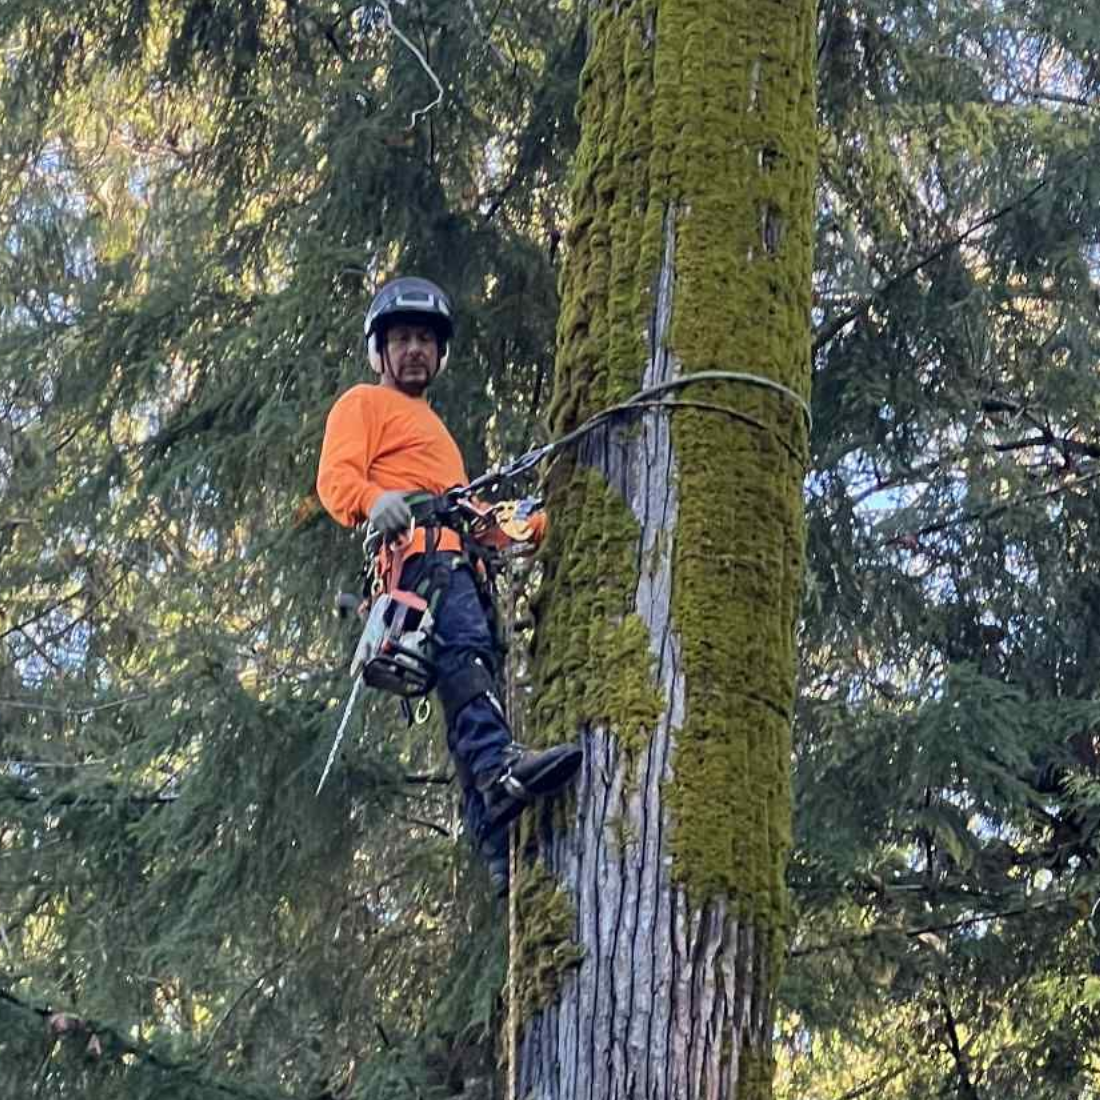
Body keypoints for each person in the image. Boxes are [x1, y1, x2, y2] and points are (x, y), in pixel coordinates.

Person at [316, 275, 581, 893]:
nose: (414, 350)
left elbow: (464, 513)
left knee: (470, 671)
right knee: (465, 655)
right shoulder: (363, 404)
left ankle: (496, 847)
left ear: (440, 354)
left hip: (456, 558)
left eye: (425, 341)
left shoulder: (436, 434)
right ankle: (498, 767)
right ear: (380, 350)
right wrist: (370, 498)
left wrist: (535, 523)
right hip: (419, 564)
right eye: (403, 338)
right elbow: (336, 478)